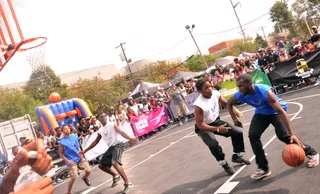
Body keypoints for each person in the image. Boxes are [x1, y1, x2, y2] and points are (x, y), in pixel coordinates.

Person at [227, 74, 319, 180]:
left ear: (250, 84)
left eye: (241, 86)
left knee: (284, 136)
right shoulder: (240, 94)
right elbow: (229, 103)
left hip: (275, 112)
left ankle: (312, 153)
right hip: (261, 113)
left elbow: (280, 111)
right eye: (238, 86)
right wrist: (235, 119)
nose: (239, 89)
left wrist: (292, 133)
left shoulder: (264, 92)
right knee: (253, 135)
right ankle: (263, 169)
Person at [194, 79, 250, 175]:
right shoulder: (199, 105)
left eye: (210, 86)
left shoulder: (215, 93)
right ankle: (223, 163)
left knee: (237, 133)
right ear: (200, 91)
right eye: (206, 88)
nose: (209, 89)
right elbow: (200, 125)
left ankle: (237, 155)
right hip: (204, 127)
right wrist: (218, 129)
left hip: (216, 121)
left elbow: (226, 104)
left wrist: (236, 111)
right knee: (213, 143)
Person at [80, 113, 138, 194]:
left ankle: (128, 183)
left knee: (114, 163)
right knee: (101, 165)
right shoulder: (100, 130)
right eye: (101, 116)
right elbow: (95, 141)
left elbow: (121, 132)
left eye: (104, 116)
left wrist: (130, 138)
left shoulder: (112, 125)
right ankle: (115, 175)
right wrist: (85, 150)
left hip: (118, 144)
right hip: (111, 147)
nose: (103, 117)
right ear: (99, 119)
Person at [59, 125, 91, 194]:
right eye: (65, 129)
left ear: (70, 129)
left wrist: (80, 153)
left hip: (79, 158)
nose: (67, 129)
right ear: (62, 132)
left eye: (68, 128)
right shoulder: (62, 142)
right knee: (73, 177)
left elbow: (78, 146)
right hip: (70, 161)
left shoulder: (75, 137)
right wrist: (67, 161)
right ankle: (68, 192)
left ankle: (84, 177)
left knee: (88, 171)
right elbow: (61, 154)